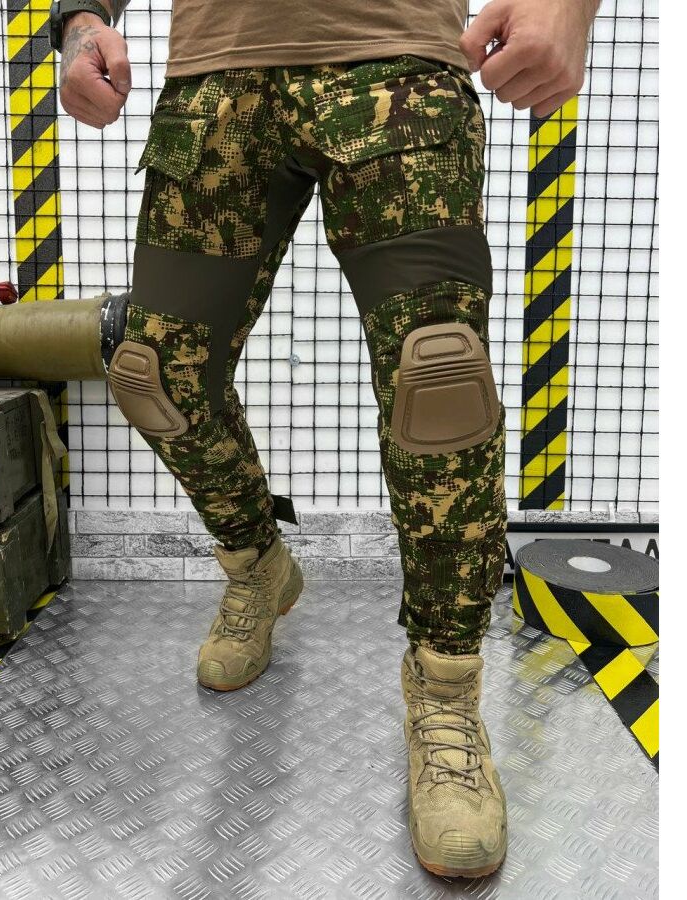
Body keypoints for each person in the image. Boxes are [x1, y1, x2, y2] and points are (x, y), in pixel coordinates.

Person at [53, 0, 600, 879]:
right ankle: (258, 565)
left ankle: (446, 692)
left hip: (394, 64)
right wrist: (83, 21)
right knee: (156, 370)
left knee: (440, 379)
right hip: (217, 79)